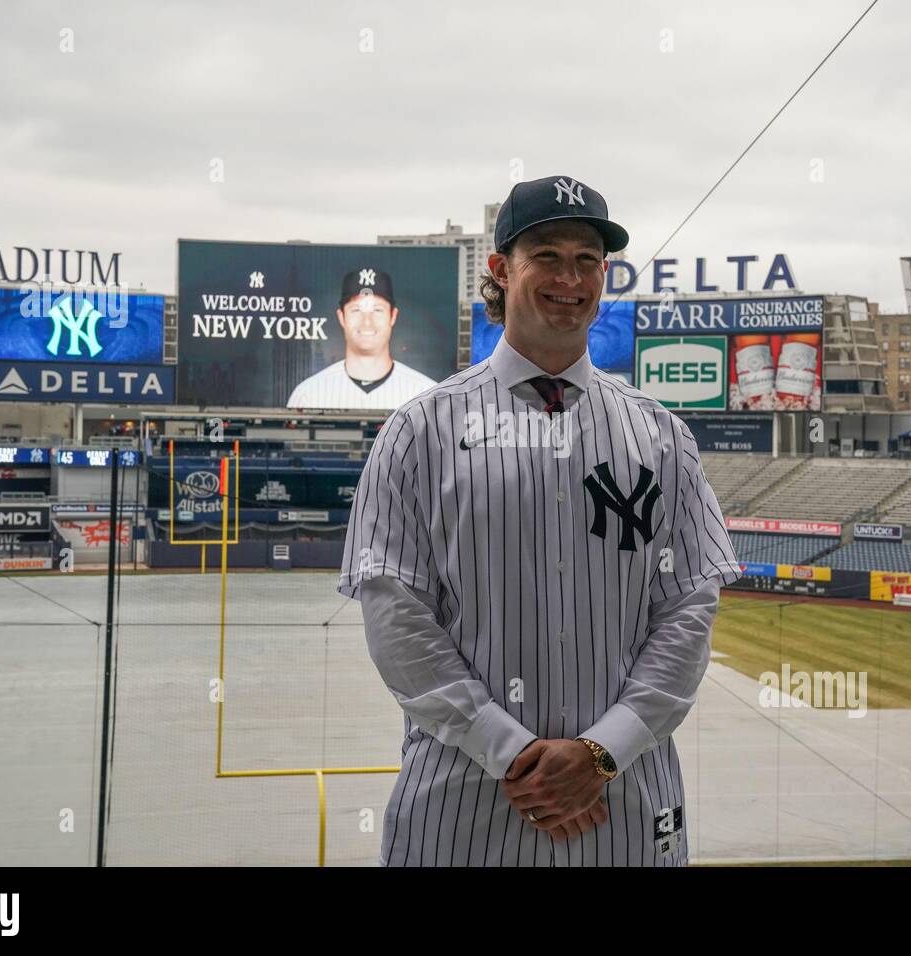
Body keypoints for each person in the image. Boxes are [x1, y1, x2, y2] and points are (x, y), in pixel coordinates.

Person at [337, 175, 741, 866]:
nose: (570, 277)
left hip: (626, 805)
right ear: (500, 270)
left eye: (587, 260)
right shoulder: (421, 429)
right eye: (547, 256)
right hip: (462, 812)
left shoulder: (660, 435)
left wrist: (601, 752)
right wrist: (514, 753)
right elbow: (396, 616)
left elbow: (688, 612)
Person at [286, 267, 436, 410]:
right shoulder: (308, 395)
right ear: (341, 317)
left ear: (393, 316)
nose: (367, 322)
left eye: (377, 310)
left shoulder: (427, 396)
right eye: (356, 310)